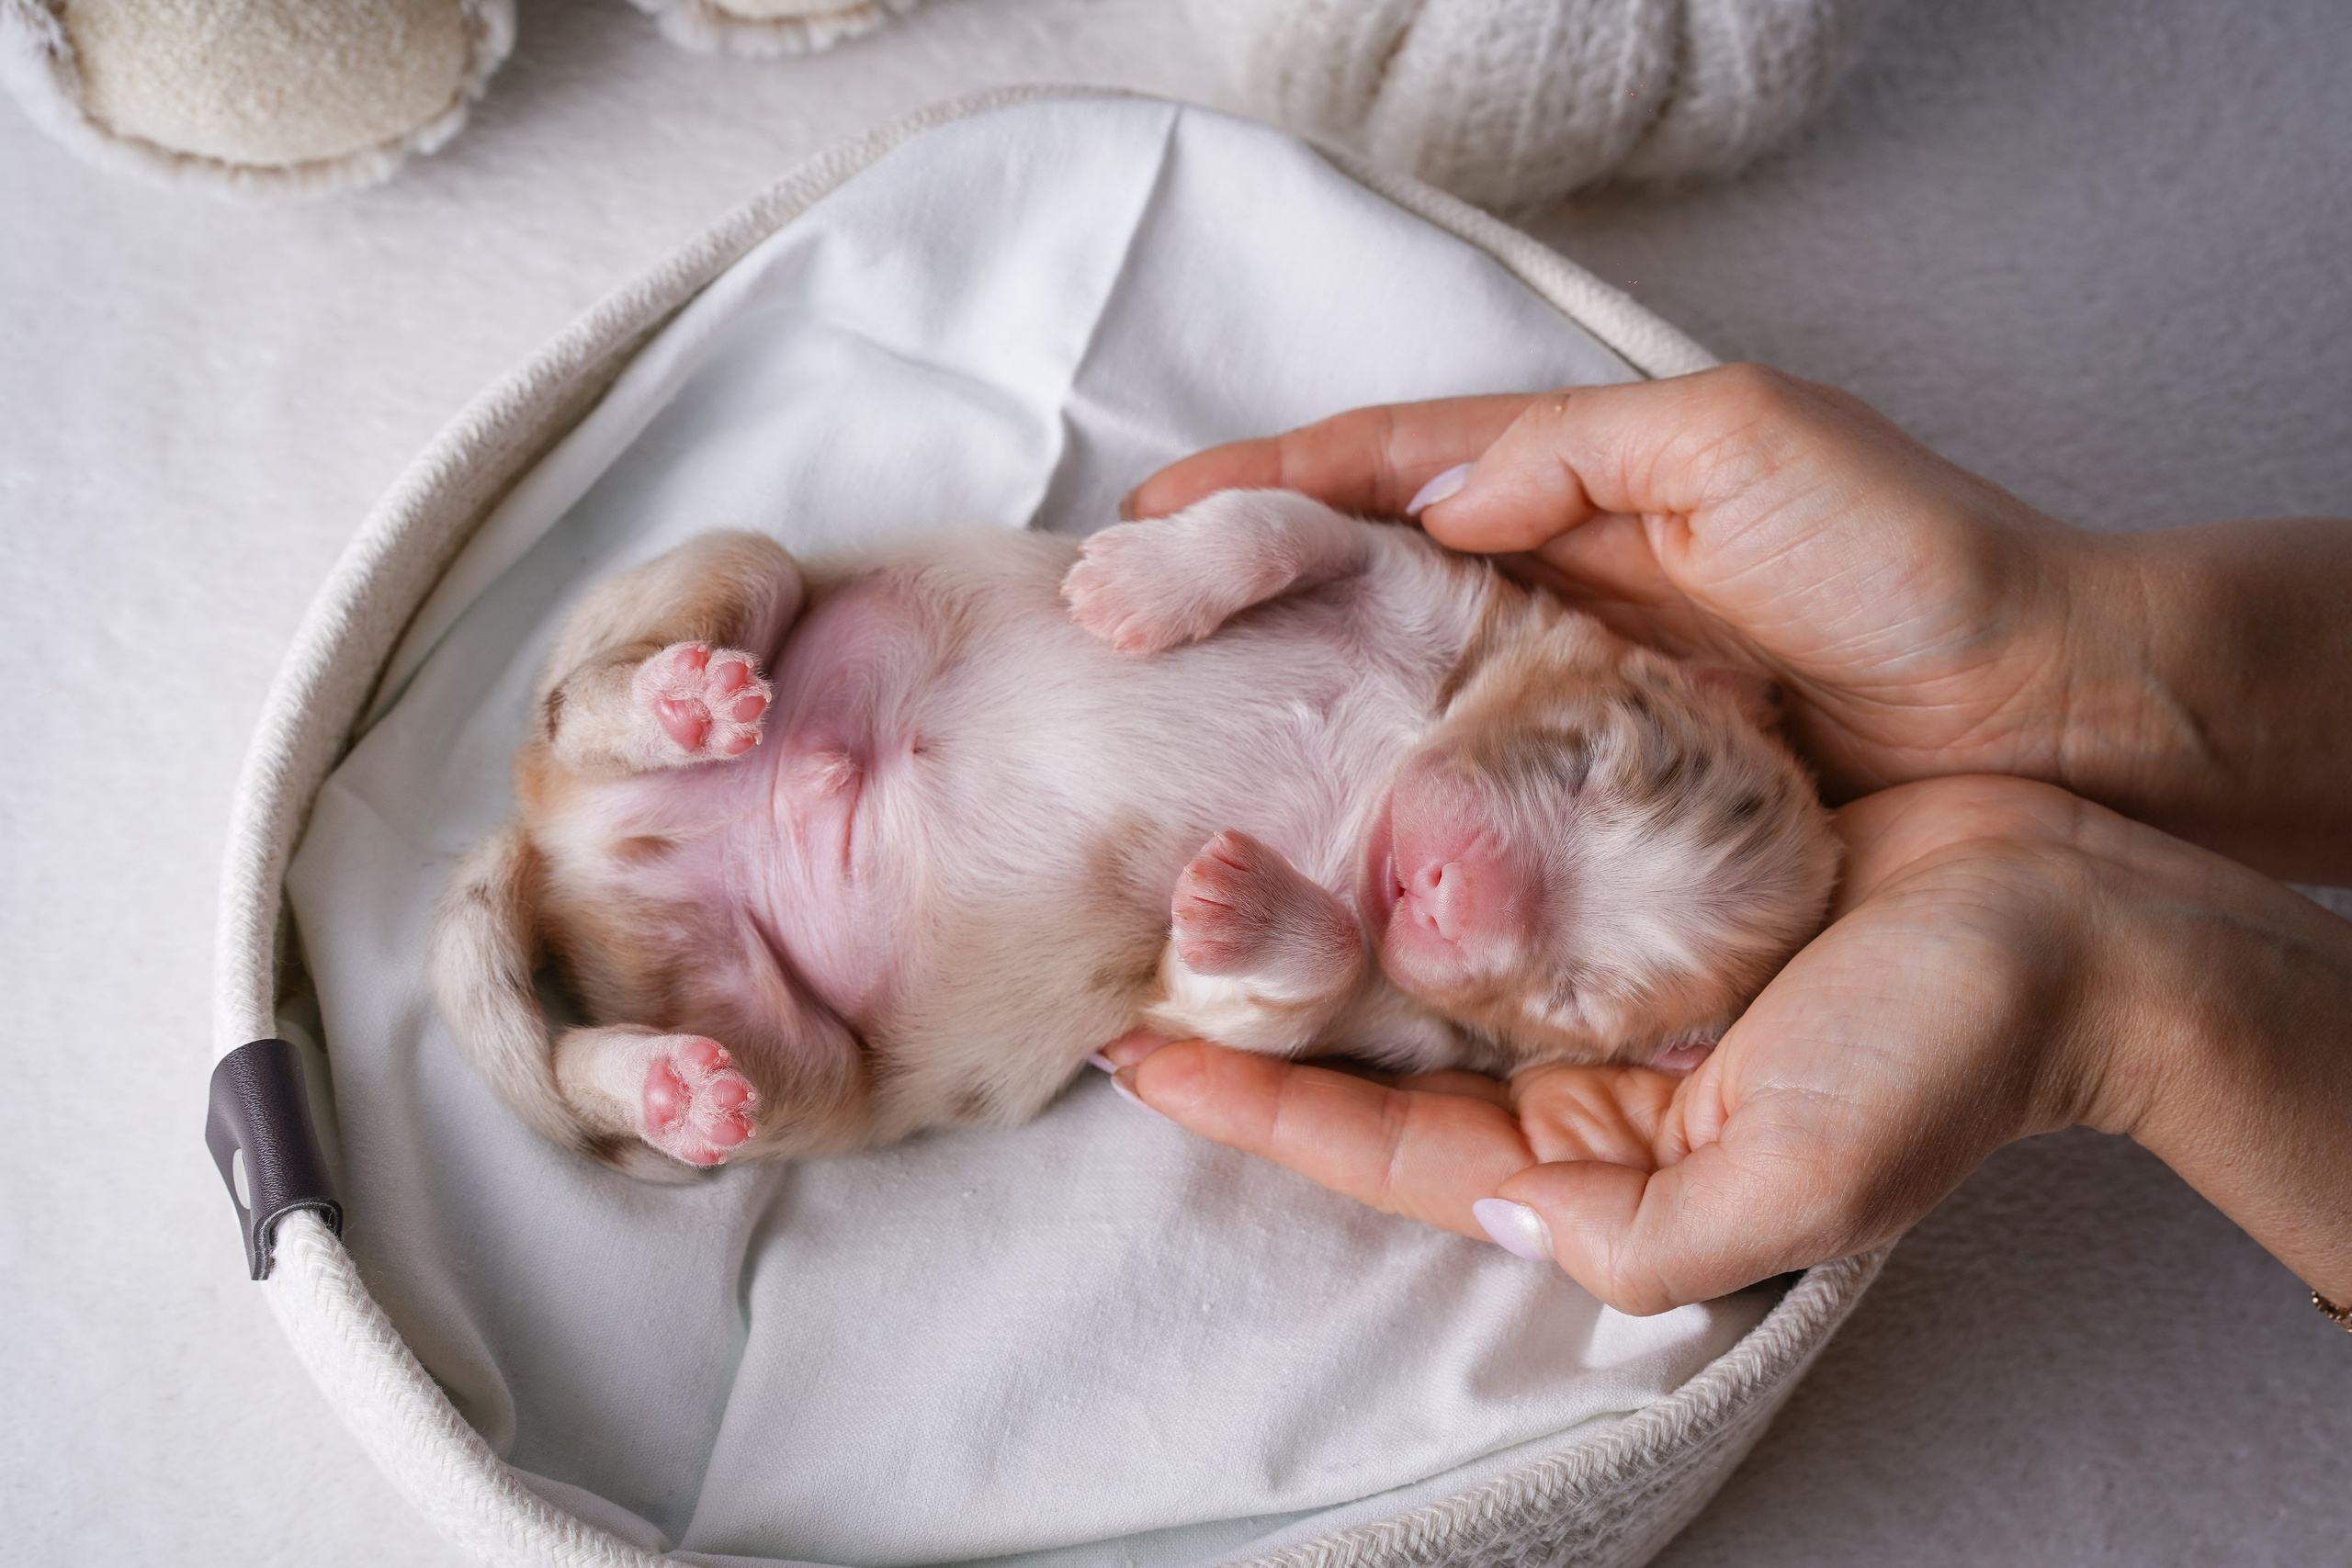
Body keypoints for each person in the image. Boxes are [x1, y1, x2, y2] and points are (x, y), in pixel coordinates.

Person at [1097, 365, 2352, 1327]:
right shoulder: (1497, 642)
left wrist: (2109, 987)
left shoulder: (1425, 1016)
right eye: (1577, 774)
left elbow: (1217, 1002)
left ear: (1654, 1051)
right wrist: (2082, 674)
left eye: (1571, 983)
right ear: (1698, 679)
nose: (1464, 896)